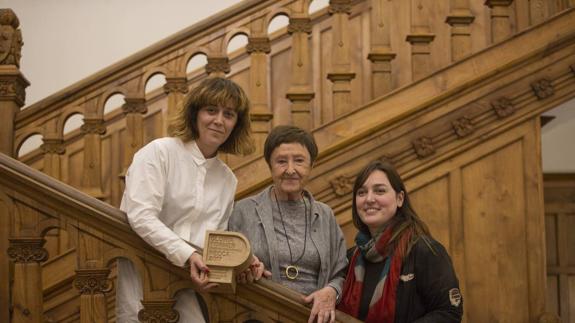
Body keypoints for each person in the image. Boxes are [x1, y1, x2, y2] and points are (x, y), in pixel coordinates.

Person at [117, 77, 263, 323]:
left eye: (228, 114)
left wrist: (245, 261)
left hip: (188, 285)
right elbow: (140, 215)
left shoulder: (227, 179)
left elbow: (213, 239)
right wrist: (187, 254)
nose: (219, 120)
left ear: (236, 124)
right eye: (211, 110)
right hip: (143, 274)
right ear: (195, 114)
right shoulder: (159, 152)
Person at [229, 125, 348, 323]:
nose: (290, 170)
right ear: (270, 165)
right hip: (257, 315)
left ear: (311, 166)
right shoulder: (243, 211)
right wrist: (242, 266)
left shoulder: (325, 215)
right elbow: (225, 260)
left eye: (299, 161)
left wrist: (331, 291)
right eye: (281, 161)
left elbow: (341, 273)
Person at [337, 160, 463, 323]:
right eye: (361, 193)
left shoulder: (425, 251)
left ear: (400, 198)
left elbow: (448, 313)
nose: (369, 199)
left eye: (379, 191)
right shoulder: (350, 257)